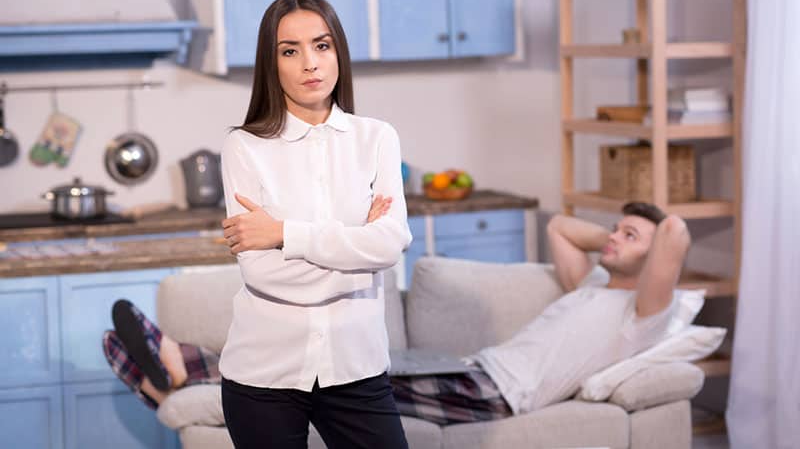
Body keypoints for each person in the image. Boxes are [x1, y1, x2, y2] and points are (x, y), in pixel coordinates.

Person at [103, 201, 693, 427]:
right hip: (473, 368)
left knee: (341, 380)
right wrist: (617, 241)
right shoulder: (591, 282)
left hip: (499, 393)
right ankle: (176, 371)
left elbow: (675, 229)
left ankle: (180, 365)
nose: (612, 239)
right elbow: (561, 228)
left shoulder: (642, 313)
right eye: (613, 230)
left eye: (629, 236)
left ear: (657, 259)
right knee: (328, 365)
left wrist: (647, 231)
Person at [214, 0, 412, 449]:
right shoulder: (245, 147)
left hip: (357, 368)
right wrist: (354, 252)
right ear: (272, 62)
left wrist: (283, 234)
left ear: (338, 52)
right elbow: (263, 273)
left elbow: (389, 244)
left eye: (322, 46)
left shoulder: (377, 138)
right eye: (290, 50)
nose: (310, 63)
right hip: (263, 376)